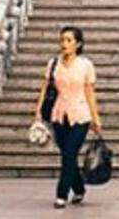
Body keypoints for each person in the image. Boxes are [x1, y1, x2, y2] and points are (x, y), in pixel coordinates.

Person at [33, 25, 103, 210]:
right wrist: (38, 111)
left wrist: (96, 118)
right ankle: (79, 188)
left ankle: (61, 194)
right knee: (67, 155)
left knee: (70, 153)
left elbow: (89, 93)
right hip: (58, 114)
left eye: (69, 40)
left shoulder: (85, 65)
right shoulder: (53, 64)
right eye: (62, 40)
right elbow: (45, 88)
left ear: (78, 44)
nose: (64, 44)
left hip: (80, 115)